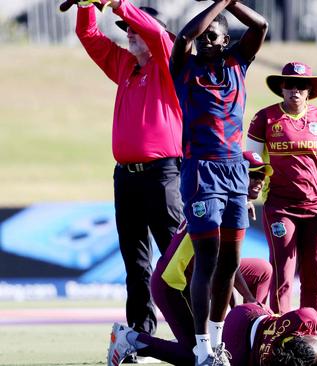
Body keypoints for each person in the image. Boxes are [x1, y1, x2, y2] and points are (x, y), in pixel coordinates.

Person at [73, 0, 183, 349]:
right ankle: (140, 337)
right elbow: (87, 34)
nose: (130, 33)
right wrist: (86, 4)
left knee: (174, 257)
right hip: (127, 177)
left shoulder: (169, 62)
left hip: (163, 174)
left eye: (135, 28)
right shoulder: (125, 65)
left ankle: (197, 336)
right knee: (135, 263)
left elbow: (153, 31)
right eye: (128, 29)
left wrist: (118, 4)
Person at [107, 152, 274, 366]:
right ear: (238, 175)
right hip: (172, 285)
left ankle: (249, 331)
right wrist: (243, 302)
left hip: (197, 273)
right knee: (194, 356)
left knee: (262, 269)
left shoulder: (231, 201)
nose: (259, 182)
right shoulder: (223, 204)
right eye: (253, 175)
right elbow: (220, 267)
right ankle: (130, 339)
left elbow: (226, 266)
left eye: (262, 176)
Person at [170, 1, 268, 365]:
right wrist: (217, 6)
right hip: (201, 172)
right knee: (206, 260)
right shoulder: (185, 66)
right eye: (203, 37)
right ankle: (200, 348)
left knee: (230, 262)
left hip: (235, 172)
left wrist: (231, 2)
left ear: (227, 40)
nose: (205, 41)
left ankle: (216, 341)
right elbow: (184, 36)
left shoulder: (238, 63)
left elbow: (261, 26)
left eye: (213, 37)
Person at [246, 61, 317, 318]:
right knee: (283, 273)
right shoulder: (265, 118)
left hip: (316, 209)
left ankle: (312, 332)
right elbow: (250, 162)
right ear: (282, 87)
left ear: (310, 89)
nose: (296, 90)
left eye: (302, 85)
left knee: (314, 275)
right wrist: (245, 196)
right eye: (290, 84)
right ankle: (280, 334)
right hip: (280, 208)